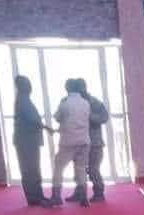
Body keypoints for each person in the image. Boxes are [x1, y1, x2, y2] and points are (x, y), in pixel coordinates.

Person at [12, 76, 54, 207]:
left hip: (29, 140)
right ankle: (33, 198)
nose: (30, 87)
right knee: (29, 170)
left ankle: (38, 196)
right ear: (22, 86)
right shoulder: (23, 100)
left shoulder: (24, 99)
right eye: (27, 84)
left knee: (34, 169)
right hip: (26, 141)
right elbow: (33, 119)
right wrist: (46, 127)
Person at [50, 78, 91, 207]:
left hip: (68, 141)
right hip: (84, 141)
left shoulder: (65, 103)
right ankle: (84, 198)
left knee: (58, 168)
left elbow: (57, 118)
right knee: (81, 169)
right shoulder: (86, 103)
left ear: (67, 88)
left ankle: (56, 197)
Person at [67, 78, 109, 203]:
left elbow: (104, 117)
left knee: (93, 169)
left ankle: (99, 193)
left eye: (80, 89)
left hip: (94, 143)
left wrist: (89, 116)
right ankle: (79, 193)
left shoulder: (94, 102)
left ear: (85, 88)